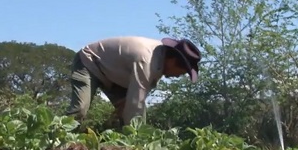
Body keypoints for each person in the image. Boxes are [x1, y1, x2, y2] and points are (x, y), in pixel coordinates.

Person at [65, 36, 201, 127]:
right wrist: (140, 141)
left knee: (124, 113)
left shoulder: (159, 62)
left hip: (114, 74)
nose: (178, 76)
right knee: (80, 110)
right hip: (89, 62)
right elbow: (136, 104)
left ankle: (111, 146)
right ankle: (56, 141)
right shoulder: (147, 61)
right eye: (181, 72)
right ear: (172, 61)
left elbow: (134, 102)